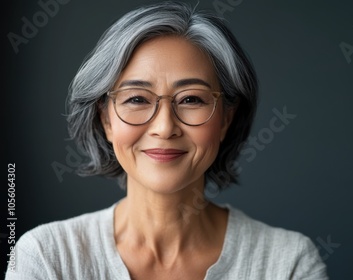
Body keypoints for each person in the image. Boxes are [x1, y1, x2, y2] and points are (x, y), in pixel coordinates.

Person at [6, 2, 328, 279]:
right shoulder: (47, 259)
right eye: (136, 99)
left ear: (226, 119)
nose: (164, 127)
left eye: (191, 100)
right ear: (105, 119)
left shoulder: (288, 264)